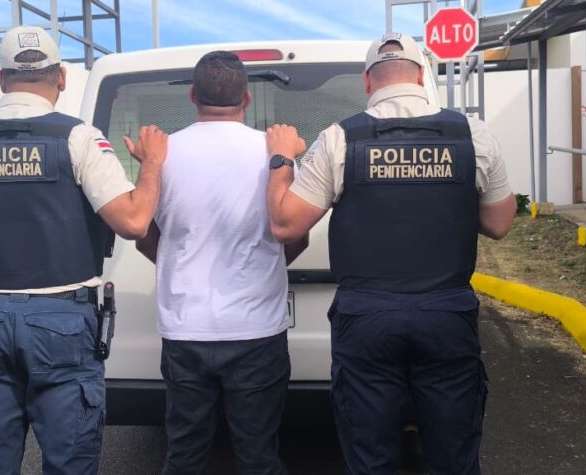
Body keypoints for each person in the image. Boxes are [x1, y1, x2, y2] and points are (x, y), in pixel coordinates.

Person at [265, 33, 516, 474]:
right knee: (454, 456)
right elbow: (498, 223)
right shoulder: (472, 135)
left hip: (366, 319)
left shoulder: (339, 139)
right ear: (421, 76)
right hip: (446, 315)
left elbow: (286, 225)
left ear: (367, 82)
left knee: (370, 456)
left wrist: (282, 161)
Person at [0, 26, 168, 474]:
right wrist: (152, 164)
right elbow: (134, 221)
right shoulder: (78, 139)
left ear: (1, 79)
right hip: (61, 321)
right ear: (61, 78)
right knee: (68, 459)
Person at [135, 51, 308, 474]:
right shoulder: (274, 153)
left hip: (185, 329)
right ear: (246, 99)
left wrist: (177, 261)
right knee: (258, 454)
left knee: (184, 453)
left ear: (193, 96)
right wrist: (266, 264)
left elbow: (143, 234)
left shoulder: (163, 155)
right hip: (257, 330)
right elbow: (296, 236)